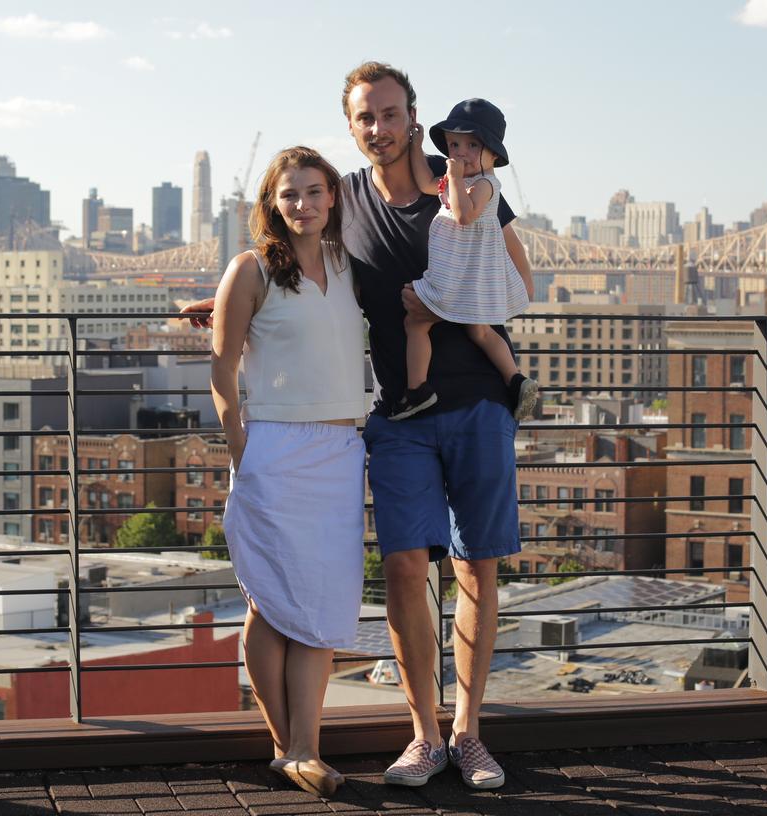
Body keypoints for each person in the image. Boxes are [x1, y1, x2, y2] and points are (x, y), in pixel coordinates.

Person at [339, 62, 525, 790]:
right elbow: (285, 253)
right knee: (405, 568)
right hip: (400, 410)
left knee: (478, 566)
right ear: (352, 126)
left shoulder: (463, 187)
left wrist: (444, 309)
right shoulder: (347, 200)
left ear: (415, 117)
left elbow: (516, 283)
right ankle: (423, 735)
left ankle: (470, 733)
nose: (380, 128)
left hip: (478, 401)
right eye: (366, 118)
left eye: (391, 114)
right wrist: (225, 303)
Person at [209, 146, 367, 798]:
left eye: (313, 191)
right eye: (288, 194)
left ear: (333, 196)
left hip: (339, 454)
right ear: (271, 204)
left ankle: (300, 749)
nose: (302, 204)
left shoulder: (350, 265)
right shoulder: (250, 270)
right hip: (274, 449)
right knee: (271, 605)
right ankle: (293, 746)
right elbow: (221, 369)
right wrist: (240, 449)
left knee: (320, 608)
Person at [391, 99, 538, 422]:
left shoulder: (485, 185)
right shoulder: (457, 181)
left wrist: (455, 178)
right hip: (469, 278)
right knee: (481, 331)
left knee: (416, 322)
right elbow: (425, 183)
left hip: (456, 277)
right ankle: (515, 379)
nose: (460, 152)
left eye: (473, 145)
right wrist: (416, 145)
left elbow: (463, 215)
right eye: (454, 144)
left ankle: (417, 390)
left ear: (493, 155)